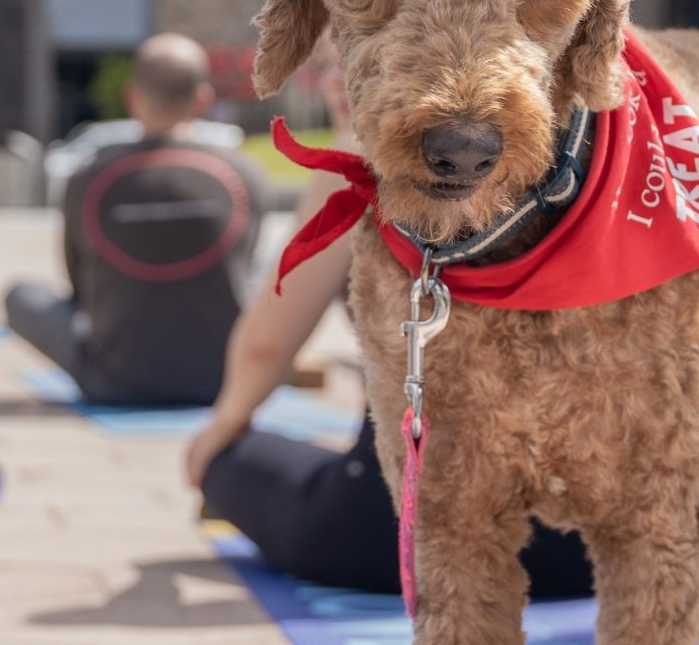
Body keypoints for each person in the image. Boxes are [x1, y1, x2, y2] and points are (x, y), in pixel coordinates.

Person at [185, 169, 592, 600]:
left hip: (404, 530)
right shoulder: (633, 133)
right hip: (584, 548)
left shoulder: (371, 143)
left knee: (228, 460)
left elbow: (267, 344)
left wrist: (223, 425)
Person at [5, 33, 266, 406]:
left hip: (113, 379)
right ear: (203, 99)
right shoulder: (245, 174)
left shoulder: (88, 177)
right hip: (220, 380)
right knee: (273, 268)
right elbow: (243, 270)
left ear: (132, 96)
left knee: (21, 296)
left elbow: (80, 288)